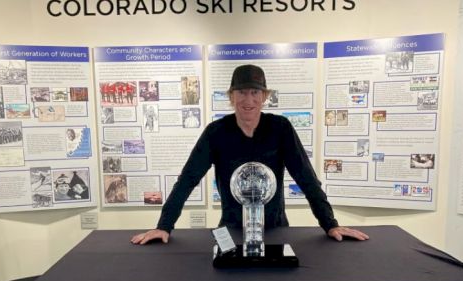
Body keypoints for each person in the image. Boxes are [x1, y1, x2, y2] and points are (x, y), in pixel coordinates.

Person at [131, 64, 368, 245]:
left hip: (275, 228)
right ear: (231, 96)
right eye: (241, 92)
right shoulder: (216, 132)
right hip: (230, 229)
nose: (248, 100)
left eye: (255, 92)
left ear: (265, 97)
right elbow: (188, 179)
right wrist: (164, 226)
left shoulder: (280, 128)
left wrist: (330, 224)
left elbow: (305, 177)